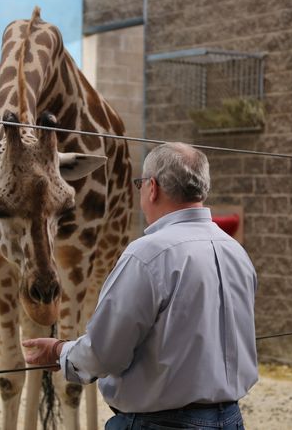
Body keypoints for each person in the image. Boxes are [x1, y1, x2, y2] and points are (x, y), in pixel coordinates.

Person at [23, 142, 258, 430]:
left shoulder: (148, 255)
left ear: (152, 187)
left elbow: (104, 354)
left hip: (160, 424)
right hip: (231, 420)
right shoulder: (235, 251)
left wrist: (60, 352)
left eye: (139, 184)